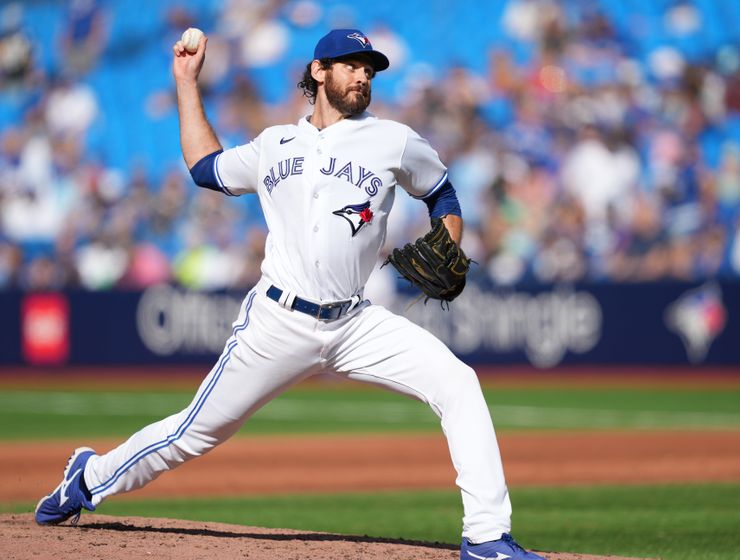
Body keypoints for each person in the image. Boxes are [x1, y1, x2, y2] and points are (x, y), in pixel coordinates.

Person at [34, 28, 547, 560]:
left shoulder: (394, 139)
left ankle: (487, 537)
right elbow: (205, 170)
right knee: (193, 434)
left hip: (356, 322)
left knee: (458, 383)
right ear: (319, 71)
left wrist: (451, 238)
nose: (364, 74)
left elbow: (441, 191)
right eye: (351, 64)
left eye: (370, 67)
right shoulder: (274, 143)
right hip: (277, 321)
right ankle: (88, 478)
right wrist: (187, 83)